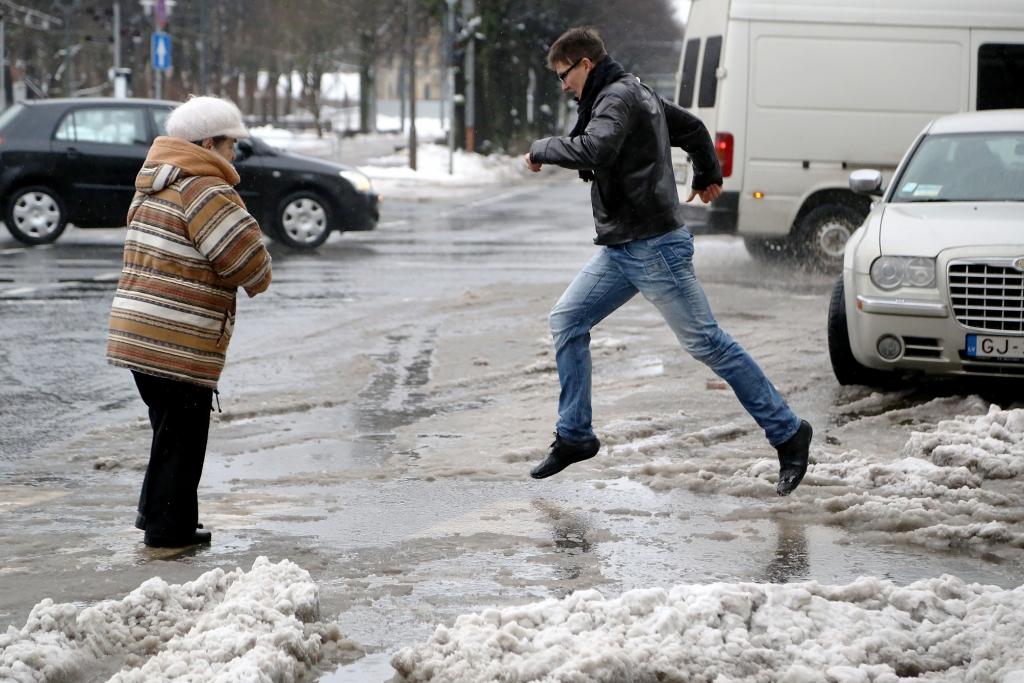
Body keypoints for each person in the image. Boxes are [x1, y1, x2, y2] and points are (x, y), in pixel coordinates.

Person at [524, 28, 812, 496]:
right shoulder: (633, 91)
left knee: (707, 343)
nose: (563, 86)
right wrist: (708, 172)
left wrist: (541, 147)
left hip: (654, 245)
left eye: (564, 75)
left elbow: (596, 148)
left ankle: (787, 431)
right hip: (623, 246)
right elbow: (694, 129)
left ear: (585, 64)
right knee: (567, 321)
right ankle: (576, 435)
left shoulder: (617, 98)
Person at [107, 96, 273, 547]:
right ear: (206, 144)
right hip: (176, 337)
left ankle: (162, 520)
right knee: (182, 437)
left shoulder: (154, 184)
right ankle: (168, 530)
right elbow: (248, 264)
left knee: (169, 432)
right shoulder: (203, 189)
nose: (234, 154)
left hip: (139, 334)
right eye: (230, 144)